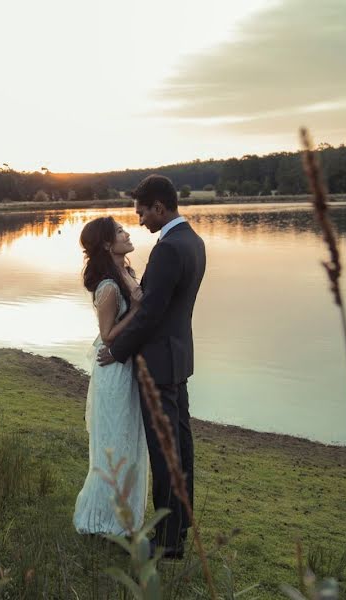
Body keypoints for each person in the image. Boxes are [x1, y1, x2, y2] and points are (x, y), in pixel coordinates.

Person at [97, 174, 206, 559]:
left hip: (158, 364)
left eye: (142, 211)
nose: (140, 219)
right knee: (181, 445)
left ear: (160, 207)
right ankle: (179, 526)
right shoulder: (193, 241)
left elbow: (150, 315)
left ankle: (168, 541)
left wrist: (117, 350)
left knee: (165, 452)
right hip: (178, 358)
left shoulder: (168, 250)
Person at [73, 216, 149, 536]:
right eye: (119, 231)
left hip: (129, 367)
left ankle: (126, 518)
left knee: (131, 443)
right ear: (107, 243)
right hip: (114, 372)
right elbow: (107, 336)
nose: (127, 232)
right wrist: (134, 310)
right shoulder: (107, 286)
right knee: (116, 445)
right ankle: (102, 520)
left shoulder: (127, 272)